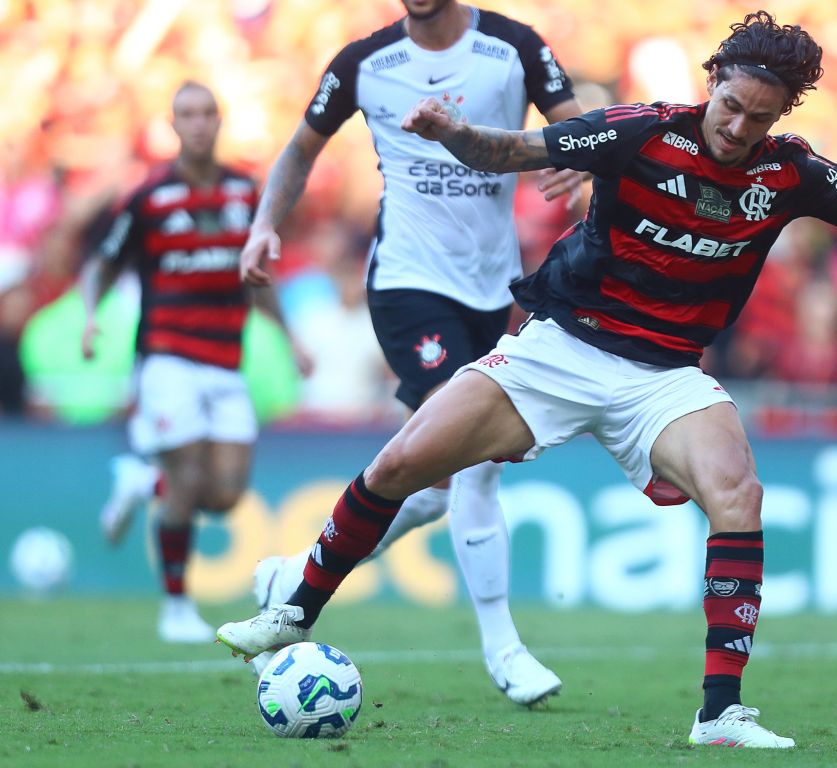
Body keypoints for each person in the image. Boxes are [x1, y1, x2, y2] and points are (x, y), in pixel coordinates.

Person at [218, 9, 837, 748]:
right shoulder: (640, 131)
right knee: (406, 462)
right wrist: (453, 134)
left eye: (759, 117)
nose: (738, 128)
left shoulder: (790, 173)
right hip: (560, 349)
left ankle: (721, 712)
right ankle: (294, 611)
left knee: (737, 495)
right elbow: (515, 148)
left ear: (783, 114)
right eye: (732, 105)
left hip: (663, 375)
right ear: (713, 84)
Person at [235, 0, 586, 707]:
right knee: (477, 461)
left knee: (433, 480)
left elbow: (579, 130)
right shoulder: (365, 63)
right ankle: (504, 650)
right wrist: (264, 225)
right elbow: (301, 148)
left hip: (490, 287)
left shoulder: (513, 47)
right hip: (406, 282)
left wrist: (579, 167)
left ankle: (296, 575)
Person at [81, 81, 309, 643]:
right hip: (167, 356)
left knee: (226, 495)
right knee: (186, 475)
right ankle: (176, 608)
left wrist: (290, 338)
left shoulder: (244, 191)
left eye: (208, 113)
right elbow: (102, 264)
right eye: (188, 114)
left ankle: (141, 481)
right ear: (174, 124)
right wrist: (92, 314)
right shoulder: (150, 196)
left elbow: (259, 279)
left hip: (225, 360)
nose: (199, 123)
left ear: (219, 121)